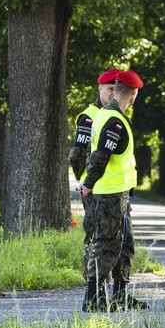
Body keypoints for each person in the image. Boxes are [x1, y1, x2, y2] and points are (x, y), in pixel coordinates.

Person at [78, 69, 148, 312]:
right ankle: (93, 298)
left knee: (123, 244)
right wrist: (87, 184)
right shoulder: (113, 120)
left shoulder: (110, 114)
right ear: (133, 93)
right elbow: (100, 157)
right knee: (106, 244)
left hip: (119, 193)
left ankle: (118, 295)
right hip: (109, 193)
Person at [69, 68, 121, 281]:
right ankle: (91, 282)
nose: (113, 94)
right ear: (99, 88)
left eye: (116, 90)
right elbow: (77, 155)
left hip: (112, 188)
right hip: (93, 188)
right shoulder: (90, 116)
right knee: (94, 232)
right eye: (110, 89)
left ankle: (110, 281)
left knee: (113, 234)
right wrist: (84, 181)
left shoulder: (115, 114)